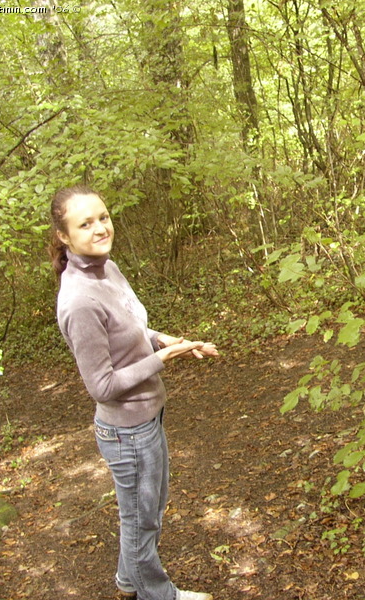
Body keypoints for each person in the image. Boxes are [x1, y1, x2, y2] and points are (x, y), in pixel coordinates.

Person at [49, 184, 217, 600]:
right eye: (84, 224)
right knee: (141, 521)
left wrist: (168, 340)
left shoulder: (107, 267)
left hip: (148, 417)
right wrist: (164, 359)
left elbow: (132, 329)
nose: (99, 228)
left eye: (102, 217)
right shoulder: (79, 301)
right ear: (64, 236)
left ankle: (129, 579)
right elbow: (101, 386)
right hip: (126, 432)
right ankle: (158, 594)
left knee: (148, 512)